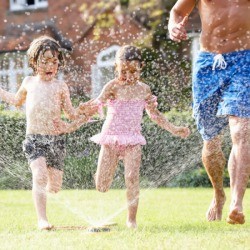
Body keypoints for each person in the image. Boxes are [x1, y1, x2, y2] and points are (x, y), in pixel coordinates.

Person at [88, 45, 190, 228]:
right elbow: (96, 104)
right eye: (123, 71)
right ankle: (99, 175)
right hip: (111, 138)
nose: (128, 76)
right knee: (102, 186)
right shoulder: (112, 86)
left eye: (133, 71)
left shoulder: (144, 90)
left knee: (132, 177)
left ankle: (131, 220)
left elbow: (155, 114)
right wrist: (79, 114)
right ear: (116, 68)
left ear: (141, 66)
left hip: (133, 139)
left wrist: (174, 129)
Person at [0, 35, 95, 230]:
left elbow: (70, 113)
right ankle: (42, 220)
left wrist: (83, 113)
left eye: (55, 61)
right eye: (45, 61)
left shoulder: (60, 86)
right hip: (34, 139)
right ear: (34, 62)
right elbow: (16, 101)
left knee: (55, 186)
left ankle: (48, 192)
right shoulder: (28, 82)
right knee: (40, 175)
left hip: (56, 140)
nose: (51, 65)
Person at [168, 0, 250, 224]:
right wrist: (173, 26)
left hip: (245, 60)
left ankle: (237, 203)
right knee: (211, 141)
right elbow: (177, 11)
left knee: (241, 131)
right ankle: (218, 193)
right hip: (207, 62)